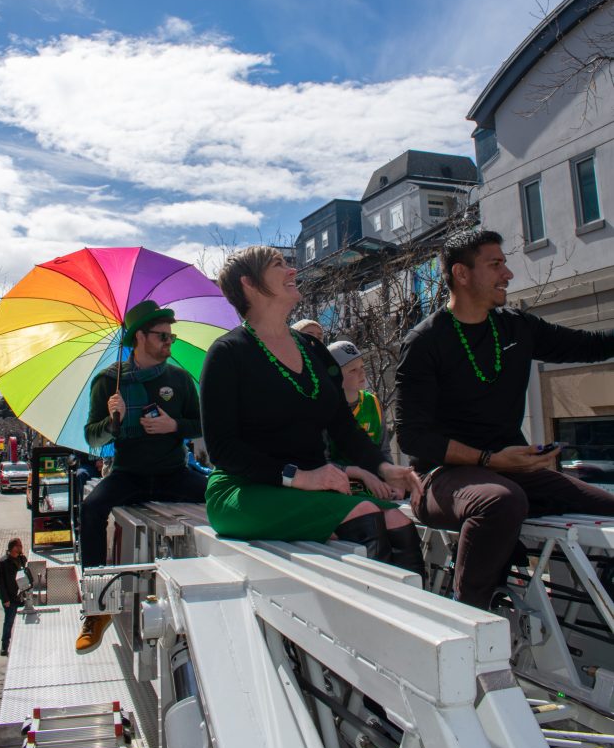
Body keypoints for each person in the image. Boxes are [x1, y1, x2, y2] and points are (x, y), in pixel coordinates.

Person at [395, 229, 614, 609]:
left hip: (509, 472)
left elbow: (592, 345)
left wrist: (503, 463)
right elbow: (413, 438)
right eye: (496, 264)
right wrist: (491, 460)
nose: (508, 274)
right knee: (500, 500)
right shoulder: (425, 342)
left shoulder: (516, 326)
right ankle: (472, 622)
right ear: (461, 274)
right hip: (440, 478)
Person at [200, 246, 424, 574]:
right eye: (278, 265)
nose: (292, 270)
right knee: (365, 513)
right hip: (243, 491)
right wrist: (298, 477)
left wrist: (383, 468)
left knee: (396, 519)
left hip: (315, 488)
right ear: (248, 283)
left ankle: (418, 618)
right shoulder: (227, 353)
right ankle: (371, 620)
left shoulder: (312, 349)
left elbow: (342, 425)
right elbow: (222, 449)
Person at [78, 300, 205, 654]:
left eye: (171, 336)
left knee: (222, 496)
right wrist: (112, 420)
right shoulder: (108, 382)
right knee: (91, 509)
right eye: (163, 336)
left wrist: (174, 425)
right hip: (128, 475)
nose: (169, 342)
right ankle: (96, 608)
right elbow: (93, 438)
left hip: (173, 473)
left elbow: (202, 424)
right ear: (139, 337)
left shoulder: (178, 379)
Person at [327, 340, 394, 466]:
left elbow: (384, 450)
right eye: (352, 370)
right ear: (334, 375)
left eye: (362, 367)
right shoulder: (326, 408)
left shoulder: (372, 402)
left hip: (374, 480)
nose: (362, 373)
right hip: (338, 481)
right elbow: (324, 460)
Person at [0, 538, 30, 656]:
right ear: (13, 547)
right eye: (19, 545)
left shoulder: (21, 559)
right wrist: (5, 600)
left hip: (22, 594)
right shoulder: (2, 563)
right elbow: (0, 584)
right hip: (11, 598)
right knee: (9, 621)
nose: (21, 547)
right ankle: (4, 646)